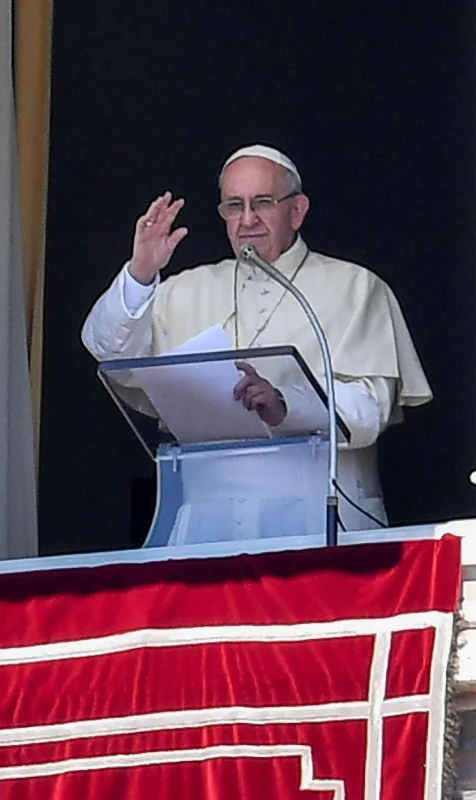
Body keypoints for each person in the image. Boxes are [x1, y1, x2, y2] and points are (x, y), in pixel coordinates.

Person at [81, 144, 432, 545]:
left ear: (297, 211)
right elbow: (110, 354)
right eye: (233, 206)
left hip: (318, 521)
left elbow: (371, 409)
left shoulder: (355, 287)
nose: (247, 219)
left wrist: (286, 403)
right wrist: (141, 272)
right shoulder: (185, 290)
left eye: (262, 202)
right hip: (206, 528)